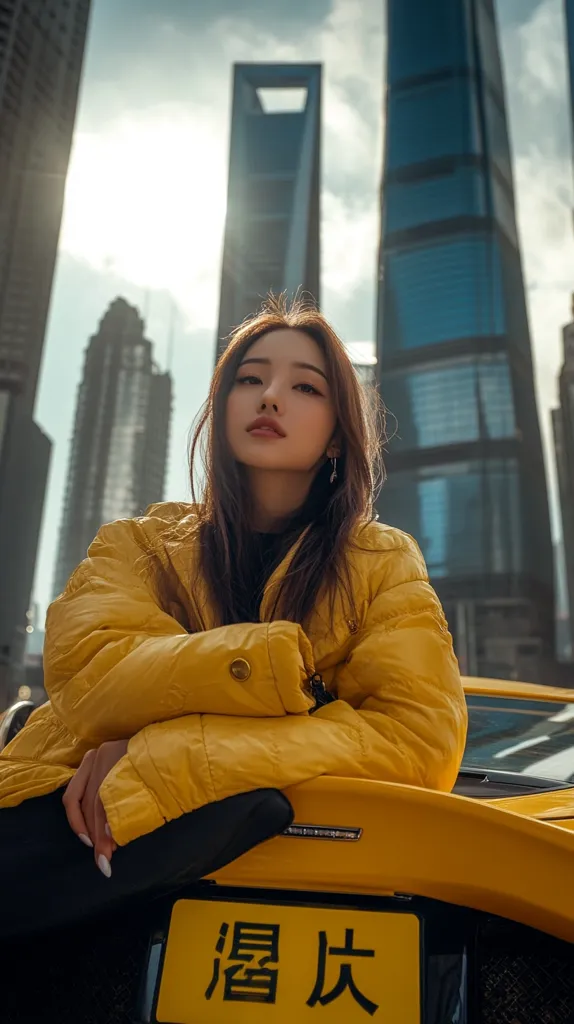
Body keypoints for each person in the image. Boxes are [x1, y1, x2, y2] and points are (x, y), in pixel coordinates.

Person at [0, 296, 467, 938]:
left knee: (261, 805)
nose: (270, 396)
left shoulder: (383, 562)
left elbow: (417, 740)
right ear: (221, 411)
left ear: (337, 434)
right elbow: (92, 676)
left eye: (305, 386)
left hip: (253, 855)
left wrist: (167, 754)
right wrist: (270, 678)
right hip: (57, 815)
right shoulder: (138, 544)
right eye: (250, 378)